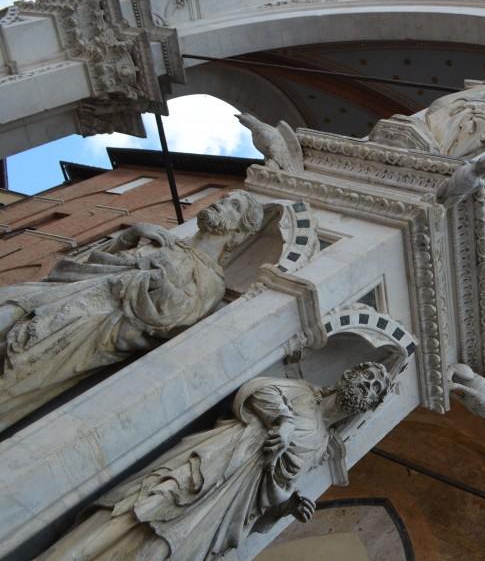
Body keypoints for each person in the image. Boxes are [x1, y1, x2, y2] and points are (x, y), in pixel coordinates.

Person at [41, 362, 391, 560]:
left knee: (158, 550)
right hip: (210, 464)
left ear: (369, 408)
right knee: (138, 511)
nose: (369, 385)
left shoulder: (320, 446)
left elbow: (269, 497)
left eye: (376, 390)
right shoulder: (302, 392)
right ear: (349, 374)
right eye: (369, 377)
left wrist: (288, 506)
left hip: (227, 509)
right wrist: (282, 419)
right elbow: (257, 390)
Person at [0, 190, 264, 431]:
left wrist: (153, 277)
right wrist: (128, 236)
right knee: (8, 309)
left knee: (18, 361)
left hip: (95, 324)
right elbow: (91, 263)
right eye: (225, 198)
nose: (221, 202)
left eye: (234, 205)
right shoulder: (165, 240)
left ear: (238, 233)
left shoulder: (211, 280)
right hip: (69, 290)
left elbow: (170, 319)